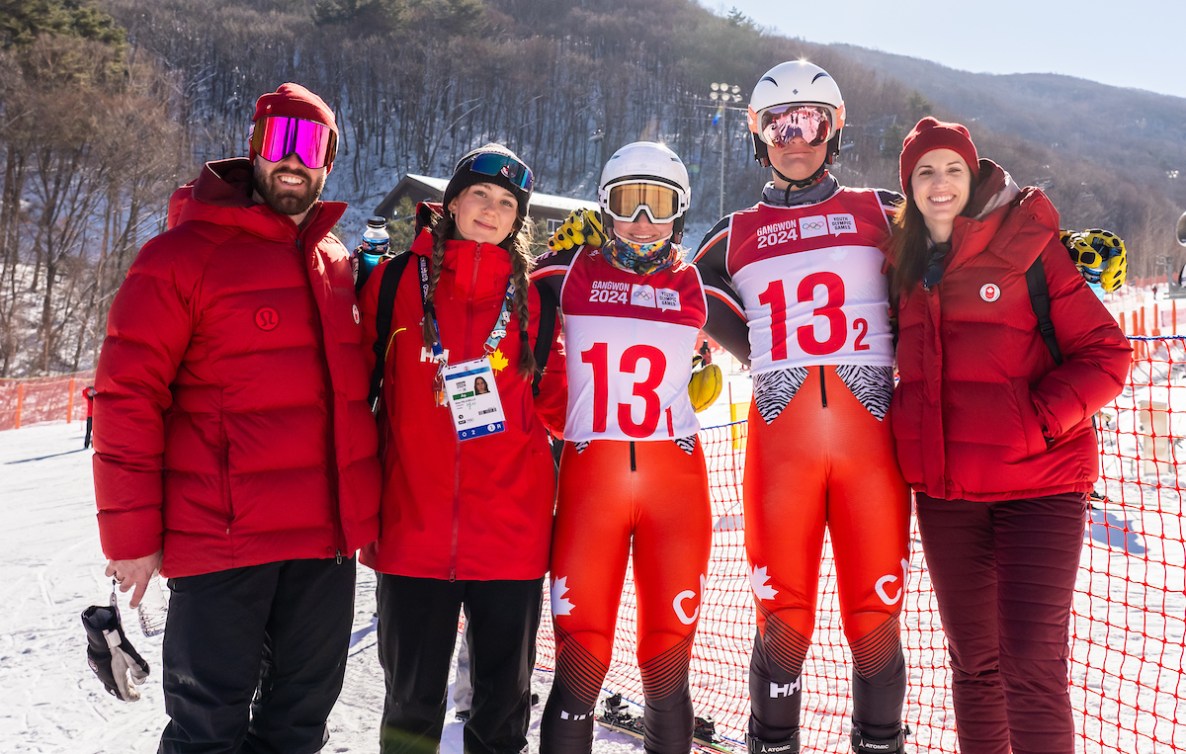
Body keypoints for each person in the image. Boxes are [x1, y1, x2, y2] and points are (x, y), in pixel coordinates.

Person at [90, 82, 382, 752]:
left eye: (310, 146)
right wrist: (132, 535)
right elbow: (126, 396)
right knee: (207, 730)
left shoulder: (334, 264)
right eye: (278, 140)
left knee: (299, 724)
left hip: (323, 546)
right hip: (224, 544)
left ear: (329, 161)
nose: (292, 159)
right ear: (253, 148)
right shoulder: (181, 257)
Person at [885, 117, 1131, 754]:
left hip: (1040, 488)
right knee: (973, 664)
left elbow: (1108, 352)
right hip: (948, 495)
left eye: (953, 170)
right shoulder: (901, 267)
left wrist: (1042, 420)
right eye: (925, 173)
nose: (940, 184)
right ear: (909, 186)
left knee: (1030, 662)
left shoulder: (1027, 247)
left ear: (975, 176)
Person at [692, 60, 910, 753]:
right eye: (778, 123)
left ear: (834, 128)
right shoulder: (732, 234)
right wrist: (750, 351)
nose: (796, 136)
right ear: (758, 135)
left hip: (871, 452)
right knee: (782, 617)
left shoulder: (883, 210)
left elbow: (957, 263)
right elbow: (681, 291)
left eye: (810, 120)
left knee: (875, 617)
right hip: (780, 451)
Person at [359, 143, 566, 754]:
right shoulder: (396, 281)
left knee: (502, 714)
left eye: (507, 203)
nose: (491, 210)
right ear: (450, 203)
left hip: (512, 536)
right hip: (412, 531)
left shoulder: (537, 302)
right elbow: (356, 387)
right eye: (479, 194)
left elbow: (561, 409)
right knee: (410, 710)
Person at [534, 142, 713, 753]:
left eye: (657, 204)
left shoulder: (692, 283)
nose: (641, 220)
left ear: (679, 212)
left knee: (668, 658)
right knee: (580, 655)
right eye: (626, 202)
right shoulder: (569, 272)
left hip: (676, 488)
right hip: (592, 482)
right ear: (603, 208)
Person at [82, 384, 96, 449]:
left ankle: (94, 444)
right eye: (90, 392)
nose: (91, 393)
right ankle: (86, 444)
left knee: (95, 432)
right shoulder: (88, 398)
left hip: (97, 417)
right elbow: (84, 392)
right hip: (90, 416)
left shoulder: (97, 398)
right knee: (88, 431)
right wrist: (89, 388)